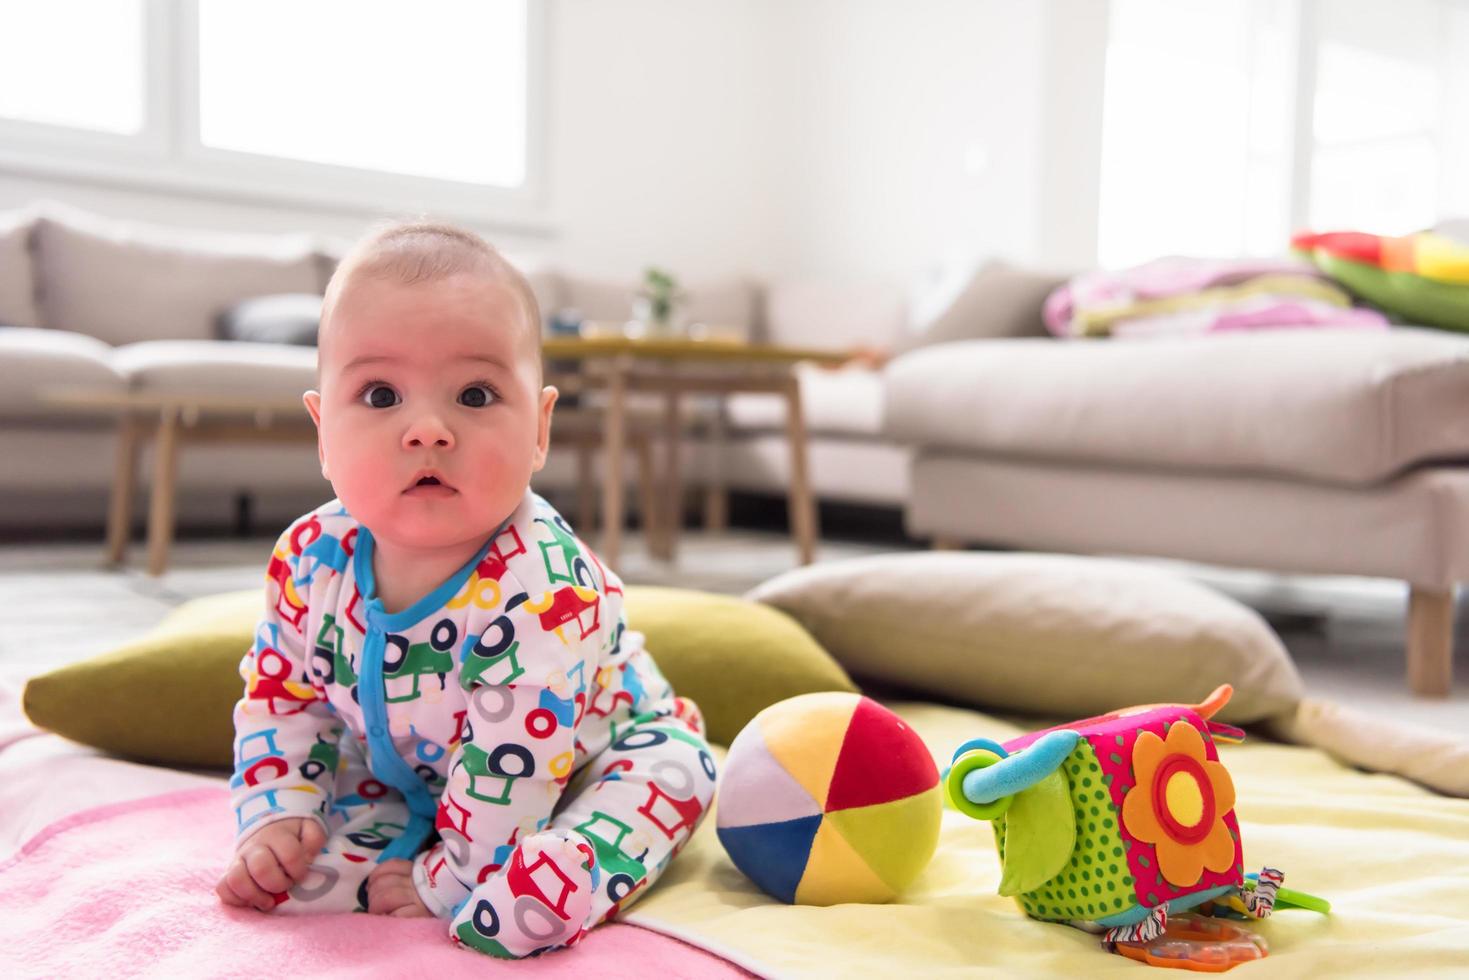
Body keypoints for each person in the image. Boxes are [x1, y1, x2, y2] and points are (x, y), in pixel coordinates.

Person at [214, 222, 716, 959]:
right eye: (379, 393)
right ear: (322, 433)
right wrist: (278, 811)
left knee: (675, 775)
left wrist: (450, 880)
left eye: (475, 394)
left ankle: (558, 870)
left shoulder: (541, 589)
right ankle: (407, 856)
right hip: (414, 776)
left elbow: (512, 766)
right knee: (297, 868)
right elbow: (283, 700)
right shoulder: (308, 561)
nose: (427, 429)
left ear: (539, 429)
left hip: (590, 762)